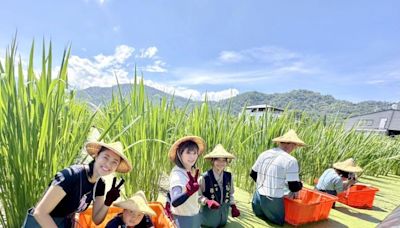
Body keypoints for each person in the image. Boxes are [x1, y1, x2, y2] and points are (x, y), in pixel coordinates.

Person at [22, 141, 132, 228]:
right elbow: (40, 212)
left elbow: (97, 220)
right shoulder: (72, 175)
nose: (108, 164)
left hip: (62, 224)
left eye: (114, 162)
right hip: (42, 223)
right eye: (106, 157)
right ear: (97, 155)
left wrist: (108, 202)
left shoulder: (100, 185)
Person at [250, 129, 305, 226]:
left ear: (280, 143)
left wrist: (264, 184)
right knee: (277, 224)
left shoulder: (265, 153)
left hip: (257, 198)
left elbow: (253, 174)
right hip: (273, 202)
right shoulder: (291, 160)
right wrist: (300, 185)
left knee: (259, 220)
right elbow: (294, 187)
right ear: (292, 145)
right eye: (295, 146)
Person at [168, 136, 207, 228]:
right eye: (188, 152)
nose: (192, 157)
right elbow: (174, 201)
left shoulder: (190, 171)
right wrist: (188, 193)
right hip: (183, 220)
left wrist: (205, 200)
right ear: (179, 153)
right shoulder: (177, 174)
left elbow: (194, 197)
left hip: (194, 216)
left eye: (195, 153)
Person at [199, 144, 241, 228]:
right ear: (212, 161)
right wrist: (207, 201)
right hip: (208, 219)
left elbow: (230, 194)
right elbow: (197, 196)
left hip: (223, 218)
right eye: (217, 160)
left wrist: (233, 206)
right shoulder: (204, 177)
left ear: (226, 162)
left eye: (223, 160)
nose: (221, 163)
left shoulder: (229, 176)